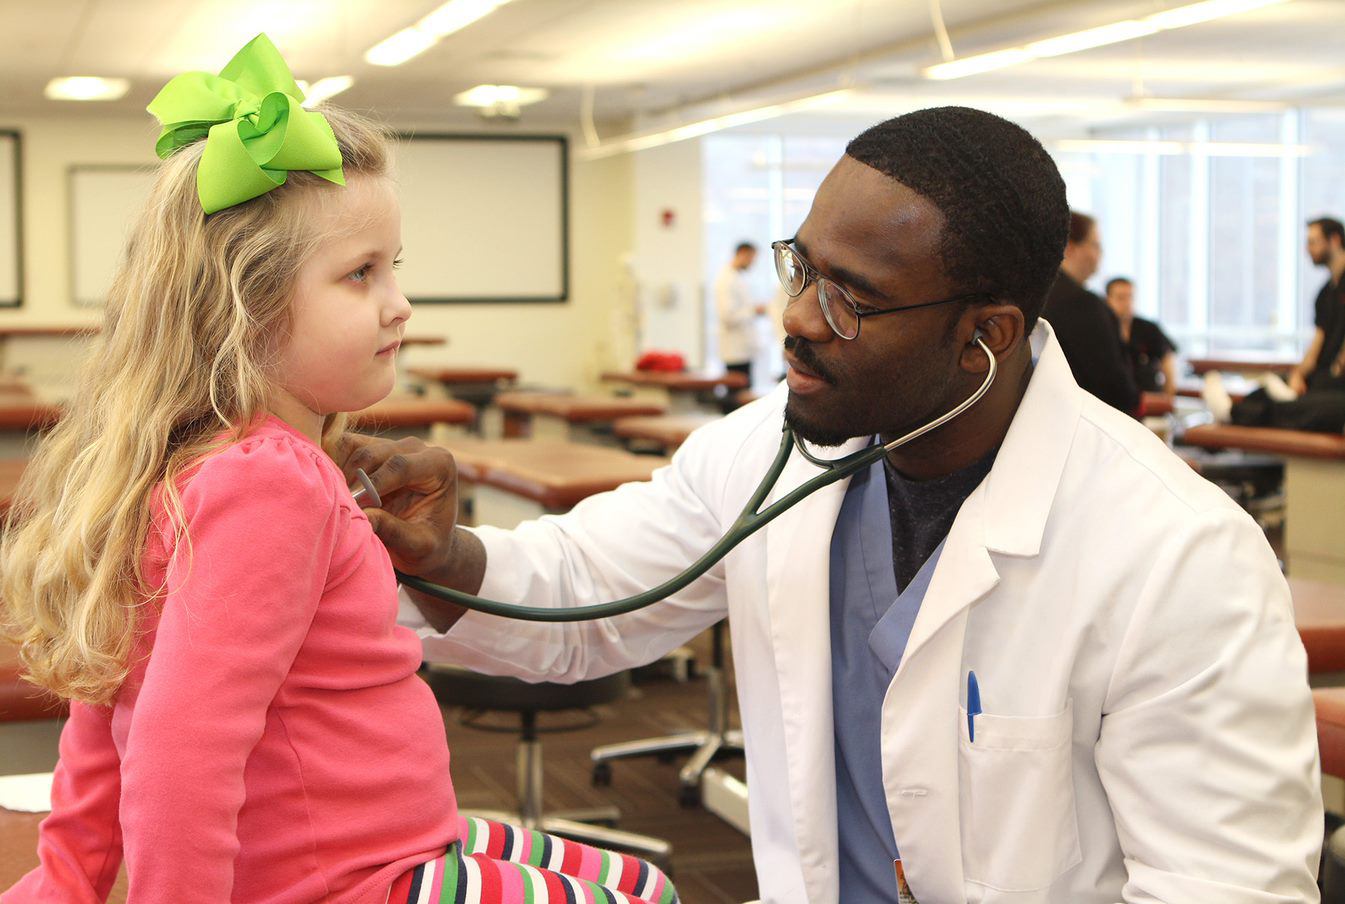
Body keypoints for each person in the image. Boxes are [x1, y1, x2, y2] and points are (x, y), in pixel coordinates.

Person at [343, 106, 1320, 904]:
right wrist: (448, 555)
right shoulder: (768, 446)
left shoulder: (1177, 556)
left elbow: (1222, 885)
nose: (798, 319)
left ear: (985, 335)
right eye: (801, 267)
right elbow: (589, 594)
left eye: (852, 297)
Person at [0, 35, 676, 904]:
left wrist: (67, 882)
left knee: (630, 875)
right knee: (646, 895)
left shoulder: (189, 464)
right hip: (349, 876)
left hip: (379, 839)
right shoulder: (273, 484)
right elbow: (179, 750)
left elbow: (107, 714)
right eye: (359, 275)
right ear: (244, 307)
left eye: (393, 267)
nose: (398, 304)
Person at [1205, 216, 1345, 432]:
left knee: (1307, 406)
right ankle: (1233, 410)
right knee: (1268, 388)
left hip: (1338, 383)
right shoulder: (1325, 294)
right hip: (1324, 377)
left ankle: (1233, 414)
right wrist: (1299, 374)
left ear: (1334, 240)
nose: (1308, 249)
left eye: (1313, 241)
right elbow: (1318, 342)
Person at [1040, 213, 1140, 414]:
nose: (1100, 254)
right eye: (1095, 245)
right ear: (1070, 247)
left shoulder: (1037, 292)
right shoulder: (1081, 304)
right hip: (1082, 419)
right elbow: (1113, 385)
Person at [1105, 276, 1178, 396]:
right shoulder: (1103, 328)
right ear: (1108, 299)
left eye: (1130, 297)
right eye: (1121, 298)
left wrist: (1168, 397)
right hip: (1113, 399)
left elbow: (1167, 359)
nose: (1127, 303)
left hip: (1149, 397)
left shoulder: (1148, 328)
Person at [715, 241, 768, 384]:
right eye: (751, 258)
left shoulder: (737, 277)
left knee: (745, 389)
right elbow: (728, 316)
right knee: (738, 393)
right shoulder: (727, 279)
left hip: (743, 349)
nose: (752, 263)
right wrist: (754, 310)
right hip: (735, 350)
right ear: (743, 254)